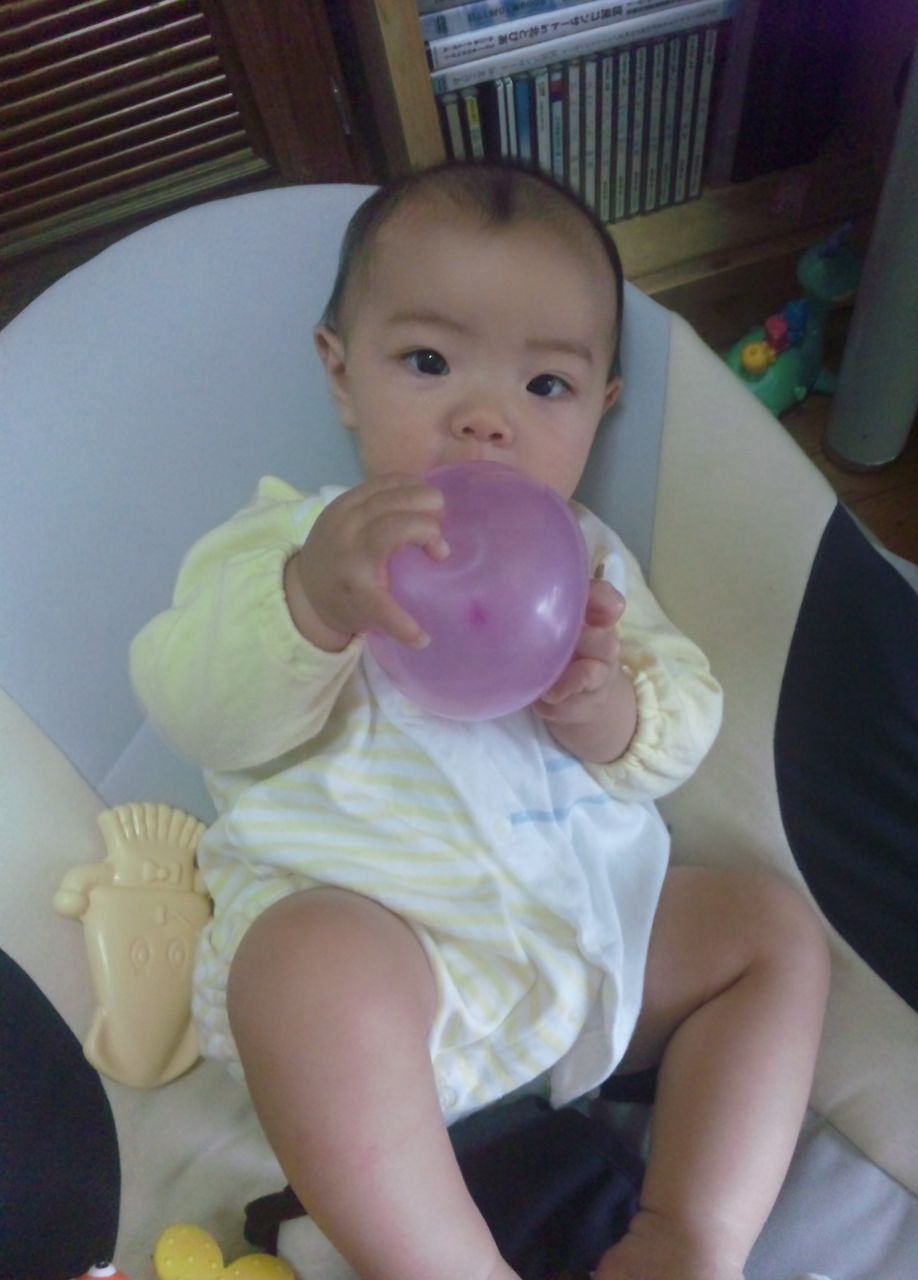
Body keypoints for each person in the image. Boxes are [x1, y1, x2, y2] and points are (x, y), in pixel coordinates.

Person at [131, 160, 830, 1280]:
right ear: (341, 372)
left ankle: (691, 1231)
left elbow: (682, 729)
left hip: (586, 948)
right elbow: (191, 704)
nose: (485, 420)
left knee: (772, 933)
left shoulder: (590, 563)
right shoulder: (290, 544)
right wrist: (311, 605)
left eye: (546, 385)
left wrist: (605, 705)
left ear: (601, 407)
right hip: (386, 975)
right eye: (427, 362)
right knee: (299, 967)